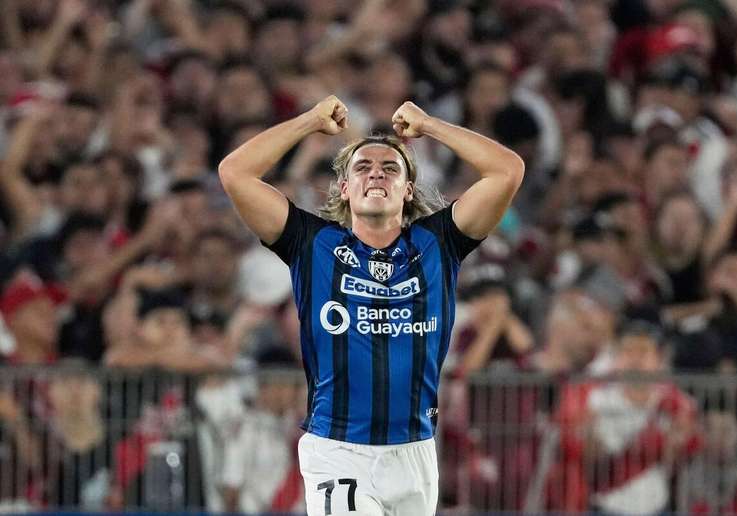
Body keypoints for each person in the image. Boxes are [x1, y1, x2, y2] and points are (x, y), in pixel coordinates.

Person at [218, 95, 524, 515]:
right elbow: (235, 172)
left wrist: (430, 125)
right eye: (362, 167)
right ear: (344, 189)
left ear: (408, 189)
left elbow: (508, 171)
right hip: (339, 450)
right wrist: (308, 122)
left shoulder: (438, 244)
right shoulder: (313, 245)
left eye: (390, 168)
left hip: (415, 452)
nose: (376, 173)